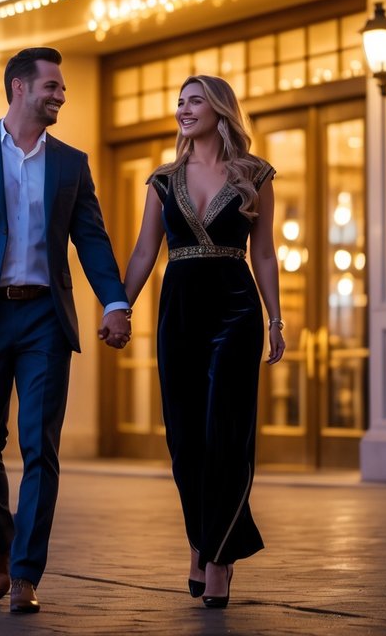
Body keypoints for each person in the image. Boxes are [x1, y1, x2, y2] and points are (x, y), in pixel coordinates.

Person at [0, 46, 132, 614]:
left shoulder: (71, 163)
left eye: (62, 88)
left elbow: (91, 238)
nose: (61, 94)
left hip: (45, 317)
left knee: (42, 446)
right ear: (19, 88)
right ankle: (0, 544)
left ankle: (25, 572)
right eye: (52, 86)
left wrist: (115, 302)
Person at [121, 74, 285, 609]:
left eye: (195, 101)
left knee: (226, 435)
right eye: (180, 102)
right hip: (180, 312)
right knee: (185, 439)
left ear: (220, 109)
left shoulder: (255, 175)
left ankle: (218, 560)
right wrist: (119, 306)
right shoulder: (163, 181)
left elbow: (263, 253)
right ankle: (200, 537)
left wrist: (276, 319)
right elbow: (146, 251)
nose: (184, 110)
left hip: (236, 311)